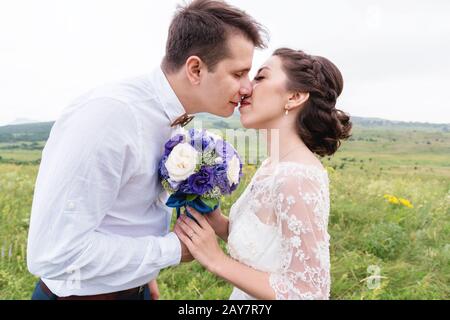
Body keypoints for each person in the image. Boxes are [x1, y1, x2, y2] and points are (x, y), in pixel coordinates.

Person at [27, 0, 267, 300]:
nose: (247, 88)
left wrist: (144, 278)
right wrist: (172, 249)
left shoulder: (173, 122)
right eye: (238, 74)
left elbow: (129, 211)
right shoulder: (110, 117)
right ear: (195, 69)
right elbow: (53, 253)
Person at [174, 48, 352, 300]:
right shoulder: (273, 164)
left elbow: (309, 293)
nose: (246, 88)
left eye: (260, 78)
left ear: (295, 97)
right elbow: (267, 245)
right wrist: (218, 222)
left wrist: (216, 260)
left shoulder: (297, 178)